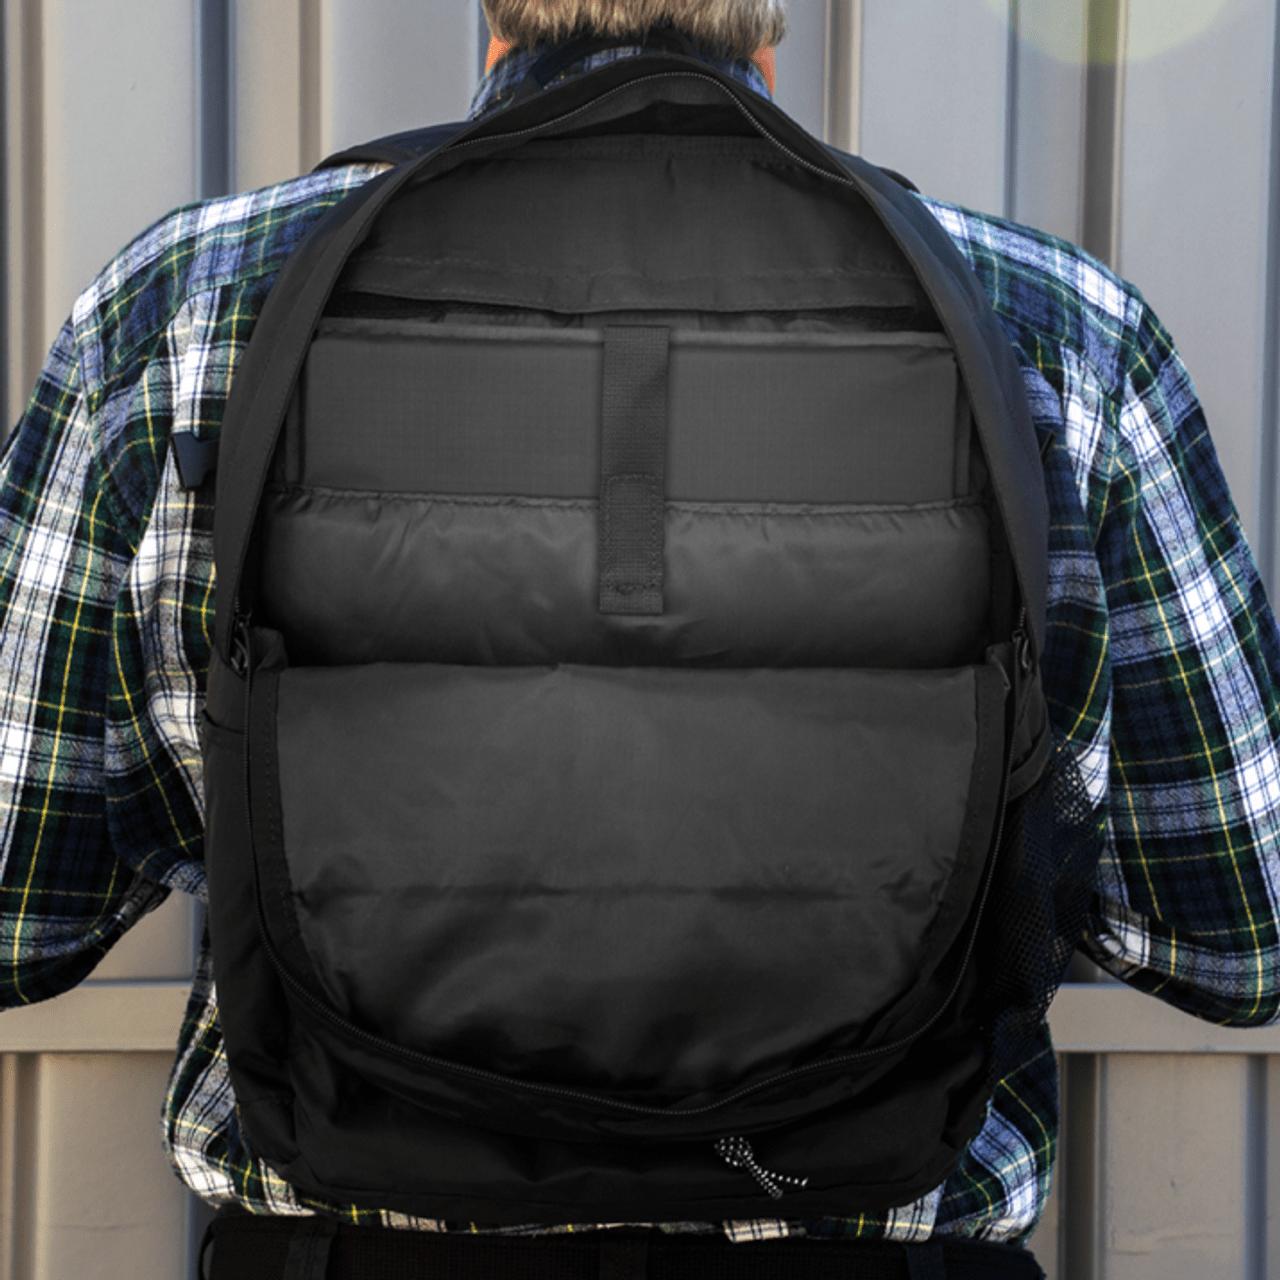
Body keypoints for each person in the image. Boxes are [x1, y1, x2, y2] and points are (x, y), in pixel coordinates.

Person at [1, 1, 1278, 1276]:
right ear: (769, 23)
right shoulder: (1057, 327)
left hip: (343, 1243)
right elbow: (1239, 934)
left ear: (494, 16)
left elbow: (18, 913)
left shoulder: (186, 305)